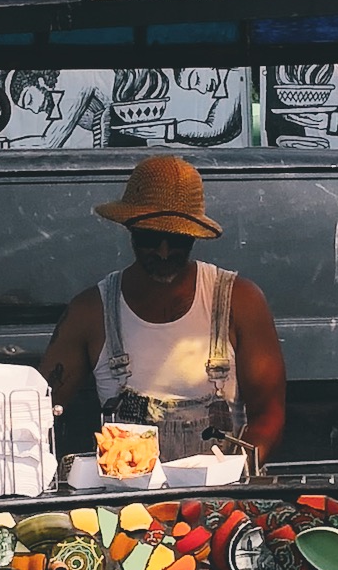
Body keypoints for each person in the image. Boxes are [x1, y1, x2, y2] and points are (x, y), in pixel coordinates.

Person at [38, 156, 287, 469]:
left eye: (178, 239)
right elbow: (38, 412)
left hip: (221, 493)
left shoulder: (238, 301)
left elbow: (269, 414)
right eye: (150, 238)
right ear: (130, 229)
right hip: (128, 496)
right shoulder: (91, 313)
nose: (164, 252)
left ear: (195, 235)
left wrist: (237, 471)